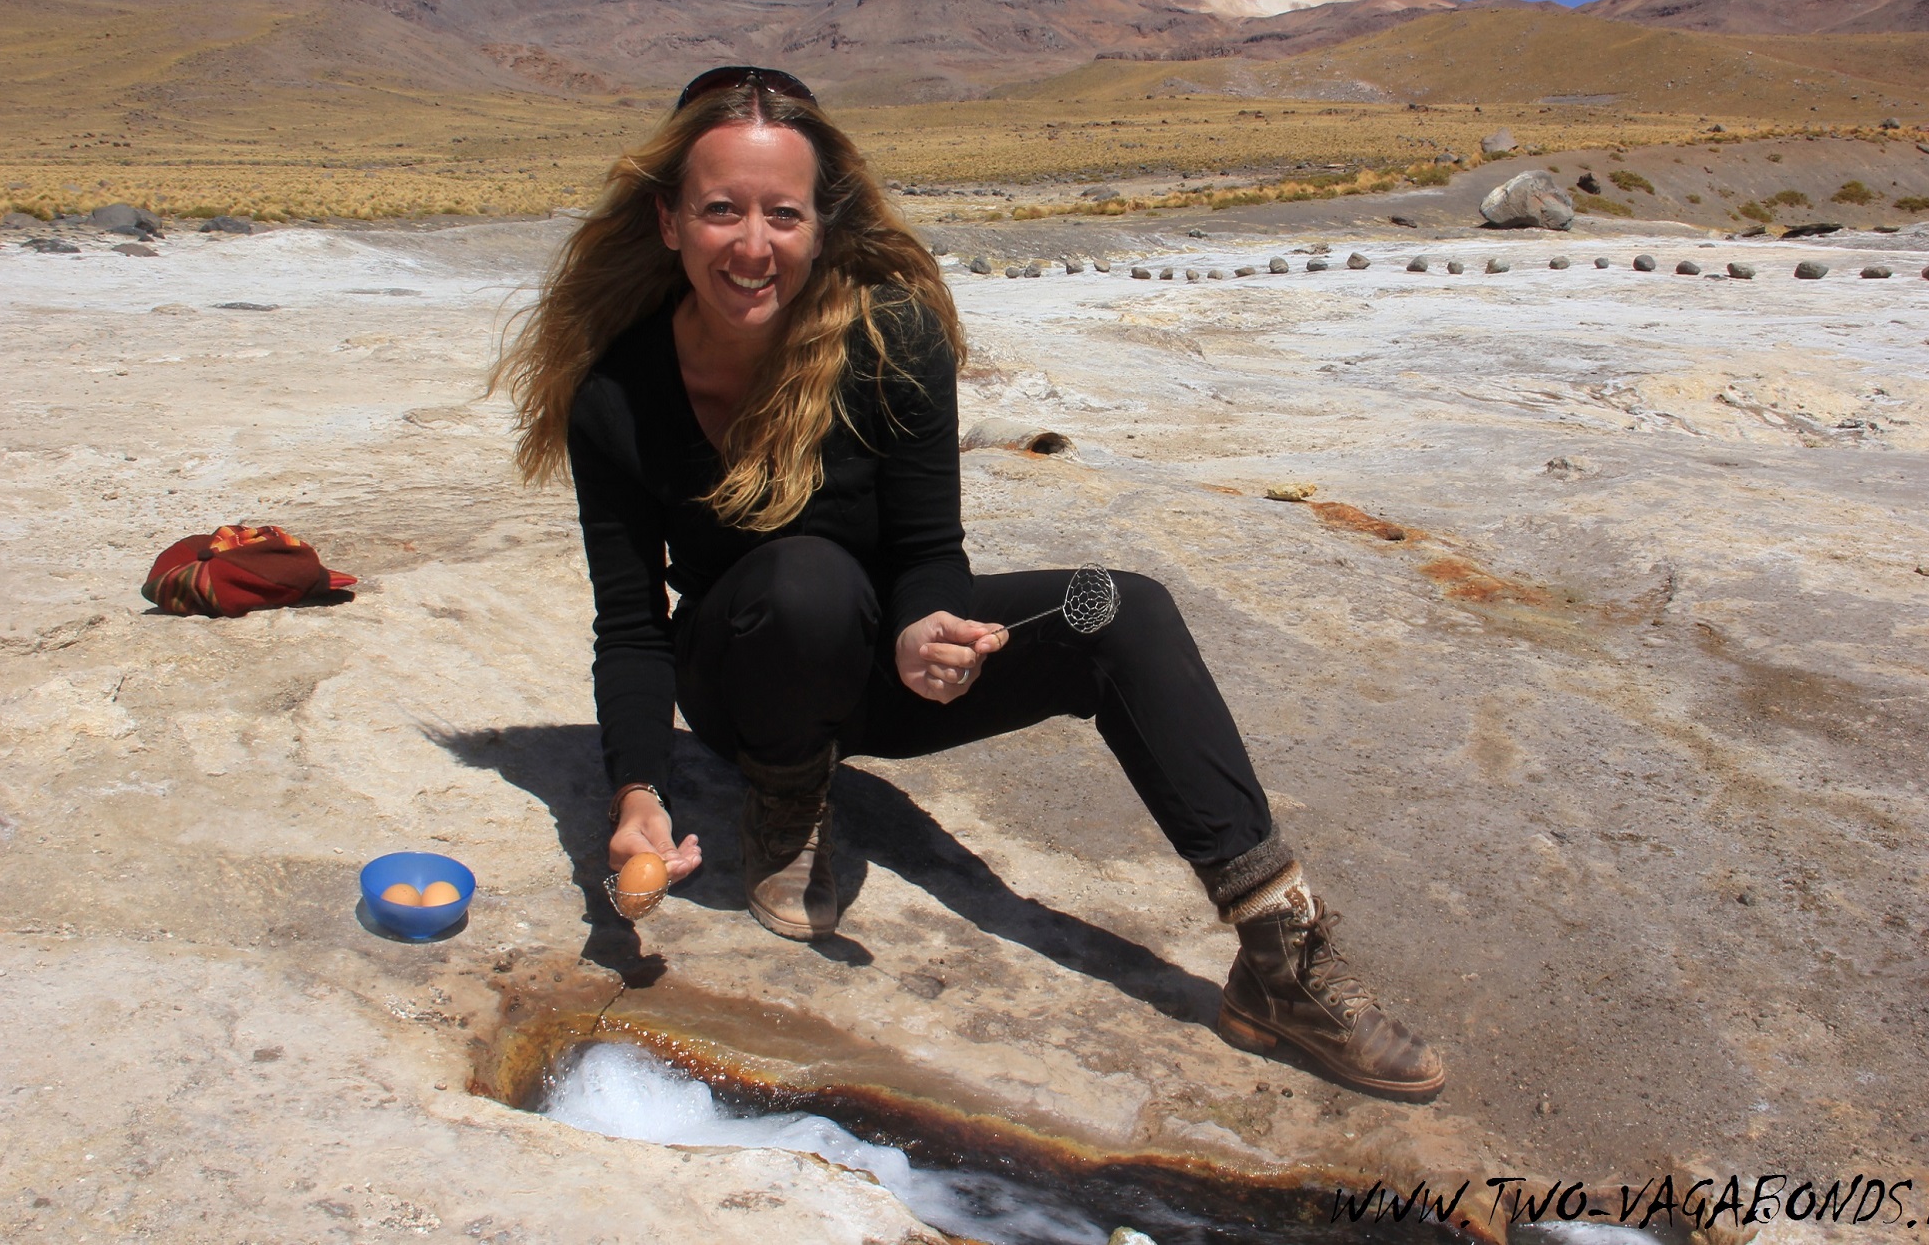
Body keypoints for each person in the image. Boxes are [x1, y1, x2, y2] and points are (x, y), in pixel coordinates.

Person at [491, 66, 1444, 1101]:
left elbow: (930, 546)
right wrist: (636, 793)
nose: (752, 245)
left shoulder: (892, 339)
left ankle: (1278, 960)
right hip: (744, 682)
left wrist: (922, 624)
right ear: (670, 219)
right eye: (721, 209)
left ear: (821, 224)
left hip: (878, 668)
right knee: (803, 580)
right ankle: (787, 793)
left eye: (782, 213)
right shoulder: (618, 398)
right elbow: (632, 626)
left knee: (1117, 607)